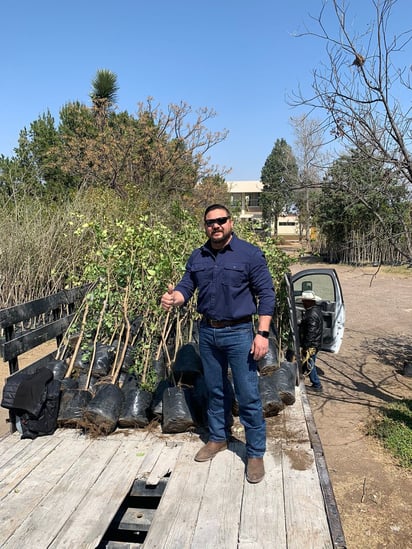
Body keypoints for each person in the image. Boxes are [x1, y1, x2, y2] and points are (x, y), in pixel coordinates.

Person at [160, 204, 275, 484]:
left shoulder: (249, 254)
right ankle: (218, 438)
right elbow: (187, 285)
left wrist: (262, 334)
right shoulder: (198, 256)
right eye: (210, 222)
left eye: (221, 220)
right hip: (208, 333)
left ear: (231, 222)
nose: (216, 226)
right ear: (205, 226)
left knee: (247, 394)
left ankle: (255, 452)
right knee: (215, 390)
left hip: (239, 333)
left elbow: (267, 295)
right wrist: (176, 298)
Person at [299, 290, 323, 392]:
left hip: (311, 344)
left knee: (310, 364)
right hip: (315, 343)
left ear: (309, 302)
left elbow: (311, 332)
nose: (303, 303)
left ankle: (317, 384)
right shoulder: (316, 311)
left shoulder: (311, 314)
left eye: (304, 301)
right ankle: (301, 377)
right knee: (308, 363)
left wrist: (306, 346)